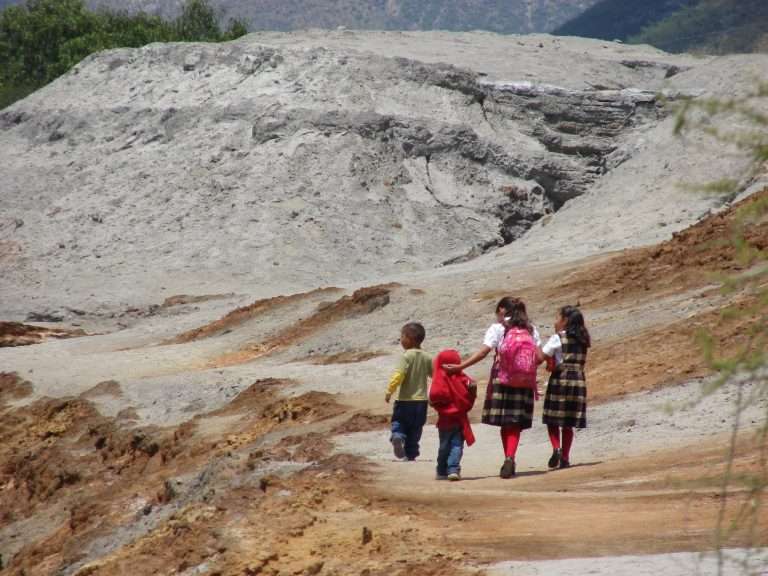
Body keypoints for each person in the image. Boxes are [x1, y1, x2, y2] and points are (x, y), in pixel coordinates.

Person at [446, 297, 541, 478]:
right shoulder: (531, 329)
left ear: (502, 310)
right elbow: (538, 356)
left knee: (505, 421)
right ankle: (510, 457)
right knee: (515, 422)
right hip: (523, 381)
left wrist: (460, 367)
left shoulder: (498, 328)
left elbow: (484, 352)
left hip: (502, 377)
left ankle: (508, 458)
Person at [541, 305, 590, 469]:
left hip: (560, 379)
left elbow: (541, 356)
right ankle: (565, 457)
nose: (555, 322)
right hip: (578, 379)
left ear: (565, 321)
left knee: (552, 418)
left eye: (558, 318)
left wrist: (533, 343)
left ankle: (556, 448)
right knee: (568, 421)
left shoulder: (558, 338)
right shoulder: (584, 339)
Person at [385, 322, 432, 461]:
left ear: (409, 338)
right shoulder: (427, 357)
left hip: (404, 400)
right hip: (421, 402)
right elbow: (434, 375)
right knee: (416, 428)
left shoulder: (405, 356)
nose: (400, 339)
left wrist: (389, 391)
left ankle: (398, 436)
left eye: (402, 336)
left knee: (399, 422)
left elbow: (398, 375)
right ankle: (411, 454)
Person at [430, 350, 477, 481]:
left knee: (444, 447)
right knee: (457, 446)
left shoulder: (439, 380)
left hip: (445, 422)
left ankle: (441, 470)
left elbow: (434, 397)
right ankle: (453, 469)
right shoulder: (463, 378)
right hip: (460, 421)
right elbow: (471, 390)